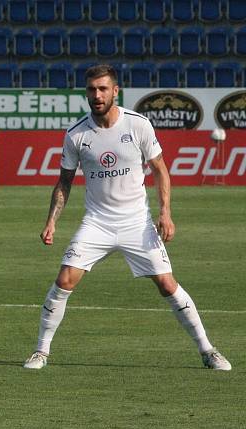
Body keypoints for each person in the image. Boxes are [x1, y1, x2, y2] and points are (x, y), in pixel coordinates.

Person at [22, 64, 232, 371]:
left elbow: (160, 169)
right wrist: (52, 221)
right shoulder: (77, 135)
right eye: (92, 89)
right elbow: (64, 181)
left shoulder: (138, 125)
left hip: (136, 222)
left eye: (103, 89)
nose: (97, 95)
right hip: (97, 222)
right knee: (64, 280)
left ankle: (208, 350)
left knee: (166, 284)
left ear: (115, 91)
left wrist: (166, 213)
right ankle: (41, 351)